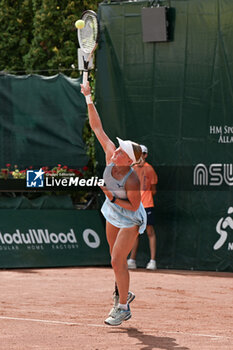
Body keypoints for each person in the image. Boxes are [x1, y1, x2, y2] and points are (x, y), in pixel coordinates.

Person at [81, 82, 147, 326]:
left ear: (128, 160)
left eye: (121, 150)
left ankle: (122, 307)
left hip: (130, 217)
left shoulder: (132, 179)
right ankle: (124, 291)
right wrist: (88, 98)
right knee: (114, 258)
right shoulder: (111, 155)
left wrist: (109, 194)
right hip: (112, 212)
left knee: (117, 260)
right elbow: (97, 128)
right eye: (117, 147)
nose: (115, 149)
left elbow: (132, 207)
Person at [127, 144, 158, 270]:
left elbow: (154, 190)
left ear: (146, 155)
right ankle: (132, 260)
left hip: (147, 204)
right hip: (134, 205)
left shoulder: (149, 169)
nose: (141, 156)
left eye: (143, 154)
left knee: (150, 231)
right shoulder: (132, 169)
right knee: (134, 233)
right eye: (138, 154)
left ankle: (152, 261)